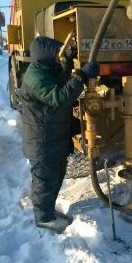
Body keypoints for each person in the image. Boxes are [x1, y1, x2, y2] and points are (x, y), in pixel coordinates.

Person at [20, 36, 99, 233]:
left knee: (56, 175)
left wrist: (67, 63)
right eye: (56, 54)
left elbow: (58, 83)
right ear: (45, 56)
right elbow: (59, 96)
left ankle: (49, 210)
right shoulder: (35, 78)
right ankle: (43, 218)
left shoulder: (44, 71)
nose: (58, 57)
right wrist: (80, 77)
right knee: (44, 179)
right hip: (41, 140)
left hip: (51, 136)